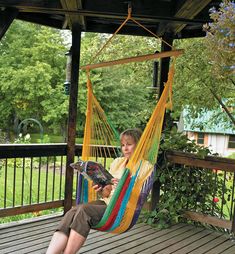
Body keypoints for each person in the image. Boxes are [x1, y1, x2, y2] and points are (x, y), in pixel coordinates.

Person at [46, 128, 143, 254]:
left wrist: (125, 186)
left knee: (84, 211)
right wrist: (102, 188)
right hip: (108, 203)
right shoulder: (118, 162)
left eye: (129, 144)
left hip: (123, 209)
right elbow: (107, 193)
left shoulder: (145, 166)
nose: (125, 148)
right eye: (123, 145)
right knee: (73, 211)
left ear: (139, 145)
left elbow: (140, 196)